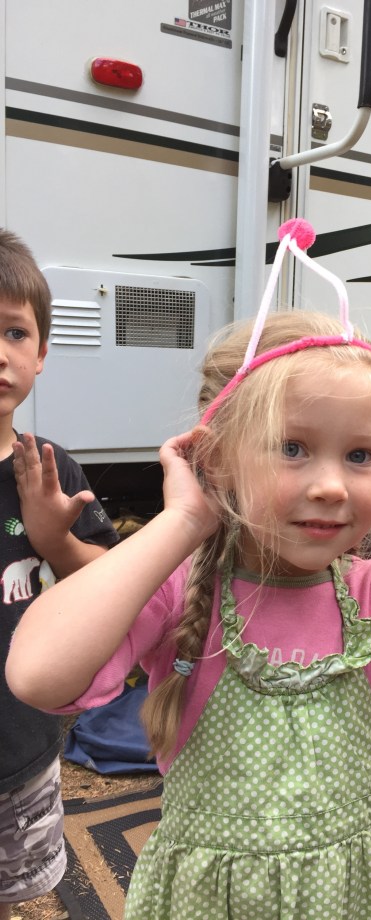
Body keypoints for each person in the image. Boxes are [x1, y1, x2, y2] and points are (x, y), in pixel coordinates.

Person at [7, 220, 371, 920]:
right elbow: (39, 675)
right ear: (217, 459)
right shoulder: (179, 590)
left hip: (356, 897)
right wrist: (184, 520)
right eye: (292, 448)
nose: (330, 485)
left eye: (361, 455)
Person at [0, 228, 119, 919]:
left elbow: (107, 584)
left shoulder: (51, 469)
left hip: (20, 751)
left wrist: (55, 540)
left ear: (41, 354)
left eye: (15, 332)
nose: (0, 352)